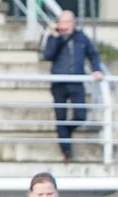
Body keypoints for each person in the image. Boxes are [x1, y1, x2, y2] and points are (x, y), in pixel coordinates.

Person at [42, 11, 103, 162]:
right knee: (60, 116)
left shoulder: (81, 37)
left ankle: (66, 131)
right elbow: (48, 55)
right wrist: (55, 36)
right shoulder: (54, 37)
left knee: (80, 115)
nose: (66, 25)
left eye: (68, 22)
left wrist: (96, 69)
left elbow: (93, 54)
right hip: (59, 82)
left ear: (74, 22)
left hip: (76, 82)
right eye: (63, 22)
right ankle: (66, 150)